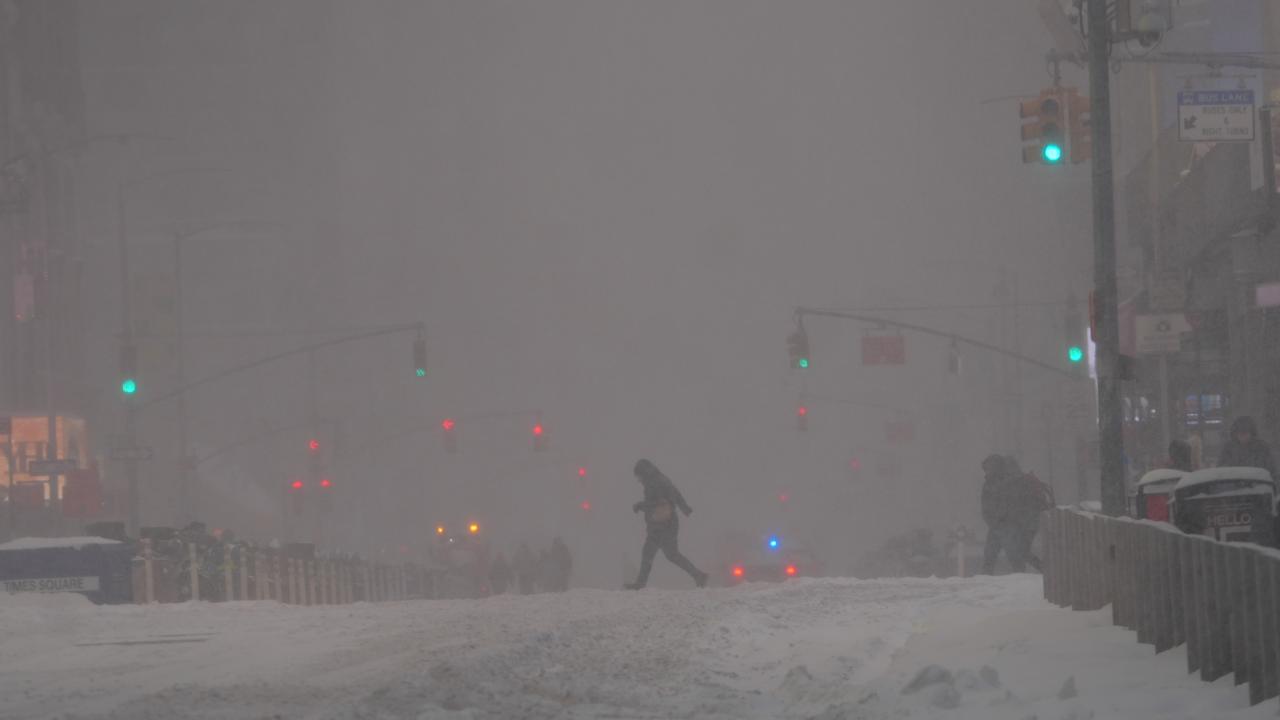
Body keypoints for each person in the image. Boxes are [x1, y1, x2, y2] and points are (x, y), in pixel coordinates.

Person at [625, 459, 708, 589]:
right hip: (668, 523)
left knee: (648, 553)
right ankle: (699, 575)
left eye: (639, 476)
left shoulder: (654, 483)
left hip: (662, 525)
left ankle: (640, 584)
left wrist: (640, 505)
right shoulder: (660, 479)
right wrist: (684, 508)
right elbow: (675, 493)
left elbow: (659, 504)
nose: (639, 480)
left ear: (644, 472)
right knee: (672, 555)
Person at [980, 454, 1025, 574]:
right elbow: (986, 506)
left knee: (995, 556)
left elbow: (988, 505)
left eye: (988, 468)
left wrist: (994, 520)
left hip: (1004, 525)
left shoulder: (1004, 482)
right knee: (996, 556)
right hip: (1001, 525)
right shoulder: (994, 483)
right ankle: (1021, 577)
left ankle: (1021, 577)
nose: (986, 471)